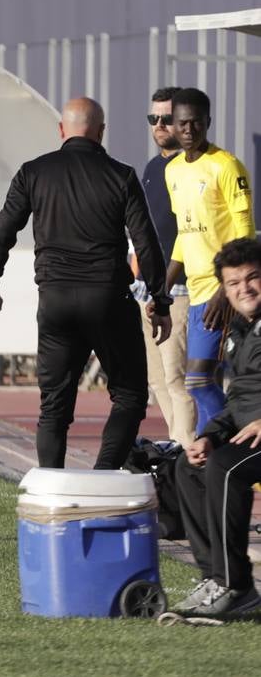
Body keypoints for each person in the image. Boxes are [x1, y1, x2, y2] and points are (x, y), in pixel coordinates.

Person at [0, 98, 172, 470]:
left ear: (62, 130)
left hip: (55, 300)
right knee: (130, 395)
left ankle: (52, 489)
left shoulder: (34, 172)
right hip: (108, 298)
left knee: (54, 405)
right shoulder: (122, 175)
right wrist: (159, 301)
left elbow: (1, 230)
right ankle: (103, 478)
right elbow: (146, 242)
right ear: (101, 132)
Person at [170, 237, 261, 617]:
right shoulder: (243, 330)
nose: (244, 289)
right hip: (250, 434)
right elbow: (240, 398)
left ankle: (235, 586)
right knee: (189, 465)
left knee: (225, 468)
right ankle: (215, 577)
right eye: (234, 283)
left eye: (253, 278)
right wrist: (208, 436)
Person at [163, 88, 254, 435]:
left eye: (196, 123)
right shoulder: (173, 171)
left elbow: (244, 234)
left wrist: (227, 289)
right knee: (204, 383)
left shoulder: (226, 166)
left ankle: (239, 445)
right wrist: (164, 287)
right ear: (174, 125)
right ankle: (209, 463)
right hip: (196, 292)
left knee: (199, 381)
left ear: (208, 123)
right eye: (182, 123)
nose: (188, 130)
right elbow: (185, 236)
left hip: (222, 293)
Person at [136, 88, 195, 446]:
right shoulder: (153, 167)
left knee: (177, 377)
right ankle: (179, 449)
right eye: (152, 118)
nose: (159, 125)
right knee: (156, 379)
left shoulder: (191, 168)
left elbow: (191, 232)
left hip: (181, 289)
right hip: (148, 288)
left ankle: (191, 456)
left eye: (166, 118)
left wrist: (166, 288)